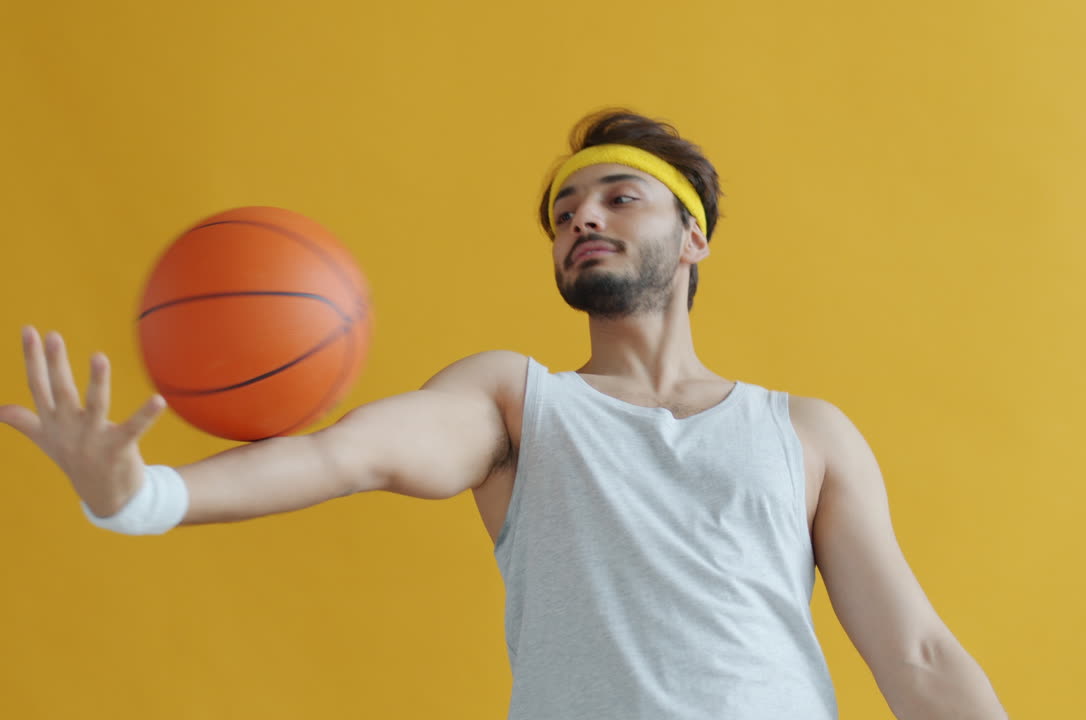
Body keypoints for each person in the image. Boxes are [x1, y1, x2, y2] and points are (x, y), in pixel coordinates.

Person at [1, 110, 1007, 719]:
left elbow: (916, 655)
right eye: (567, 210)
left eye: (619, 197)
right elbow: (345, 455)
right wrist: (144, 496)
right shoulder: (517, 404)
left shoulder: (805, 432)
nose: (582, 217)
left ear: (691, 238)